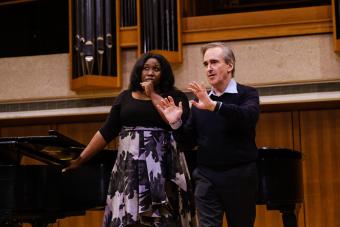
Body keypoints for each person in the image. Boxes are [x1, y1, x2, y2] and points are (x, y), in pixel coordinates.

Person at [63, 53, 196, 227]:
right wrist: (80, 159)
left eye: (156, 69)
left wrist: (153, 94)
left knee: (164, 220)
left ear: (164, 73)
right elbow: (106, 132)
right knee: (130, 221)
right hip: (129, 170)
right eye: (146, 68)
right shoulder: (125, 97)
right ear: (138, 72)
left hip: (164, 168)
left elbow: (176, 126)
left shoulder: (175, 97)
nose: (150, 72)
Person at [157, 42, 260, 227]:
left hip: (240, 175)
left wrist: (214, 106)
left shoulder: (247, 94)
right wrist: (175, 123)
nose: (209, 68)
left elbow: (248, 117)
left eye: (214, 62)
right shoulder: (199, 102)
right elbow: (187, 142)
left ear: (230, 65)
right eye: (205, 64)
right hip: (207, 176)